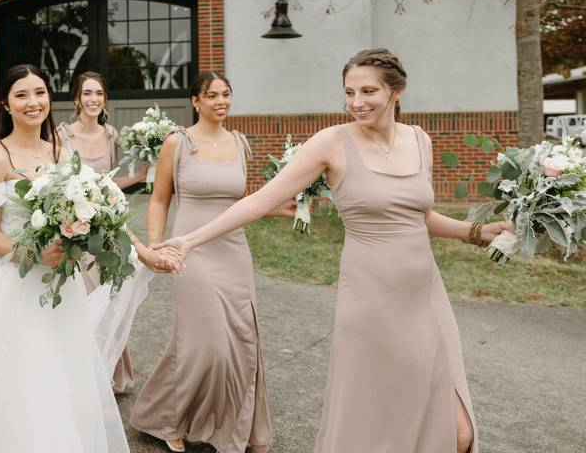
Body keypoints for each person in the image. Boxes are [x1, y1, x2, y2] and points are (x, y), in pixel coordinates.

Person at [159, 50, 512, 453]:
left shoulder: (420, 140)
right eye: (349, 92)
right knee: (382, 424)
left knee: (457, 434)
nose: (357, 102)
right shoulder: (332, 143)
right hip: (369, 300)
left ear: (396, 90)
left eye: (368, 91)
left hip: (423, 297)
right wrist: (190, 239)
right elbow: (259, 200)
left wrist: (477, 232)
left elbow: (419, 215)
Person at [0, 64, 179, 453]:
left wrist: (143, 252)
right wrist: (34, 253)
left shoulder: (63, 151)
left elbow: (104, 208)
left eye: (40, 93)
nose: (33, 102)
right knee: (10, 378)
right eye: (22, 95)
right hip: (11, 285)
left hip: (61, 286)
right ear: (5, 105)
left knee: (57, 378)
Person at [131, 71, 289, 453]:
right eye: (212, 95)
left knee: (240, 340)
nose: (221, 101)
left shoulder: (240, 143)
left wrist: (280, 207)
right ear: (195, 101)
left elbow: (240, 204)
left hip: (233, 252)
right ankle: (171, 419)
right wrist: (157, 247)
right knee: (205, 344)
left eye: (226, 94)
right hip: (191, 253)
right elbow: (159, 199)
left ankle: (231, 428)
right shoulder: (178, 143)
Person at [56, 71, 152, 394]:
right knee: (80, 301)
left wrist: (138, 176)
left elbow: (108, 184)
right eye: (87, 93)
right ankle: (77, 374)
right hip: (75, 232)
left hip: (105, 233)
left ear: (104, 99)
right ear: (76, 99)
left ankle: (107, 372)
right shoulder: (62, 135)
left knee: (107, 302)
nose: (93, 99)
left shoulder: (111, 134)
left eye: (99, 93)